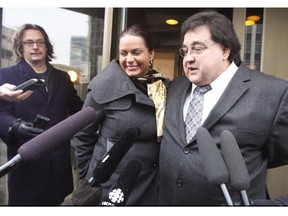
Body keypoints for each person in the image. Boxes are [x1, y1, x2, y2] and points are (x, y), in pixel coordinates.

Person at [158, 10, 288, 205]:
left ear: (225, 50)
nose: (188, 58)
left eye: (198, 49)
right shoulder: (175, 87)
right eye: (185, 51)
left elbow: (278, 154)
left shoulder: (273, 93)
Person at [74, 24, 170, 205]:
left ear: (151, 54)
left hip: (151, 184)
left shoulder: (164, 87)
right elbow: (83, 135)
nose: (129, 59)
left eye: (136, 52)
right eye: (124, 53)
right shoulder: (103, 85)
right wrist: (90, 177)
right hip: (112, 185)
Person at [0, 24, 83, 205]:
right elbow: (1, 113)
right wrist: (15, 126)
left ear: (46, 46)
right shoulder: (5, 75)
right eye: (29, 43)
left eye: (39, 42)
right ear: (20, 48)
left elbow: (78, 109)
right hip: (27, 166)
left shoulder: (63, 78)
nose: (35, 47)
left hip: (59, 167)